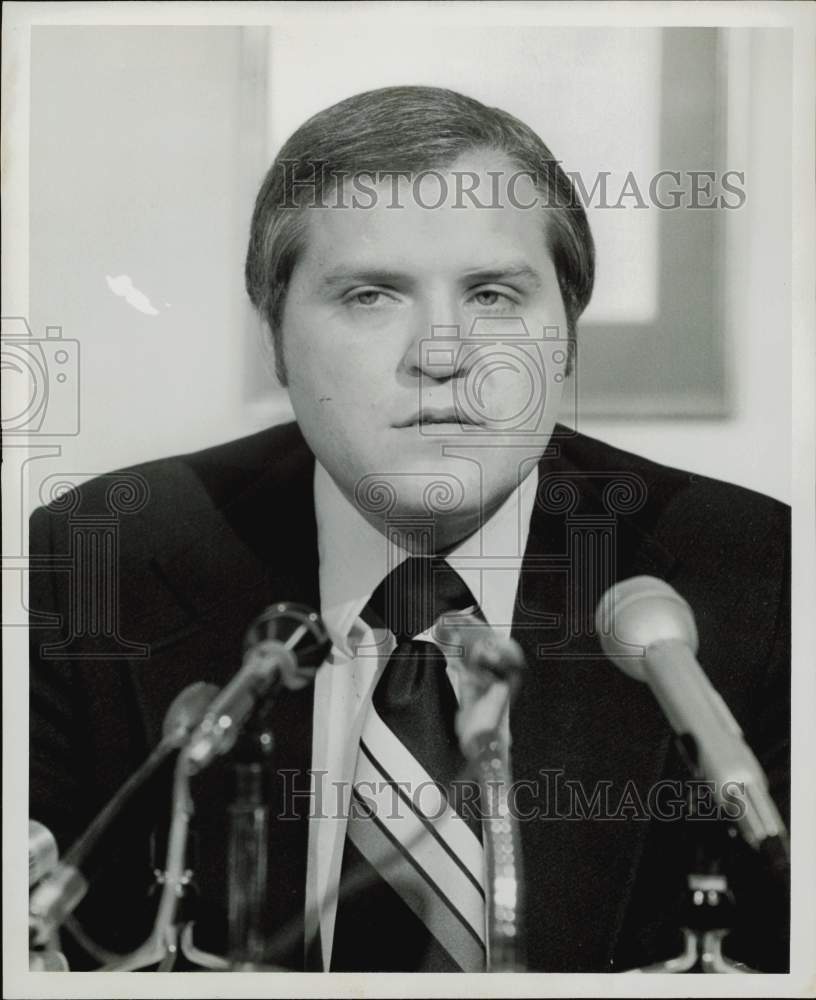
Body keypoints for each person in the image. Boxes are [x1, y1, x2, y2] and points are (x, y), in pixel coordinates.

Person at [29, 86, 790, 973]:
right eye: (369, 296)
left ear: (567, 335)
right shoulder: (96, 557)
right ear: (274, 335)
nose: (441, 352)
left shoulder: (760, 574)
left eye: (495, 295)